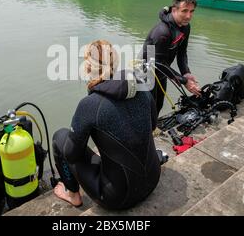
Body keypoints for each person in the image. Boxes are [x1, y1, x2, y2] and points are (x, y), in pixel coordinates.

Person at [52, 40, 163, 209]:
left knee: (60, 137)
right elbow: (153, 125)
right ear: (116, 63)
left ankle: (72, 195)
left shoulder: (89, 104)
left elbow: (72, 155)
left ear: (88, 69)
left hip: (118, 197)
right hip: (153, 178)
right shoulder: (141, 86)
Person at [142, 0, 201, 116]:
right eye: (184, 11)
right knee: (148, 108)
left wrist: (186, 73)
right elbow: (158, 64)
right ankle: (145, 133)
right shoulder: (163, 32)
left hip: (162, 71)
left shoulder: (185, 27)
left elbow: (182, 53)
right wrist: (184, 81)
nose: (188, 16)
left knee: (158, 105)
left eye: (192, 11)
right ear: (174, 10)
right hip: (148, 73)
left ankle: (153, 129)